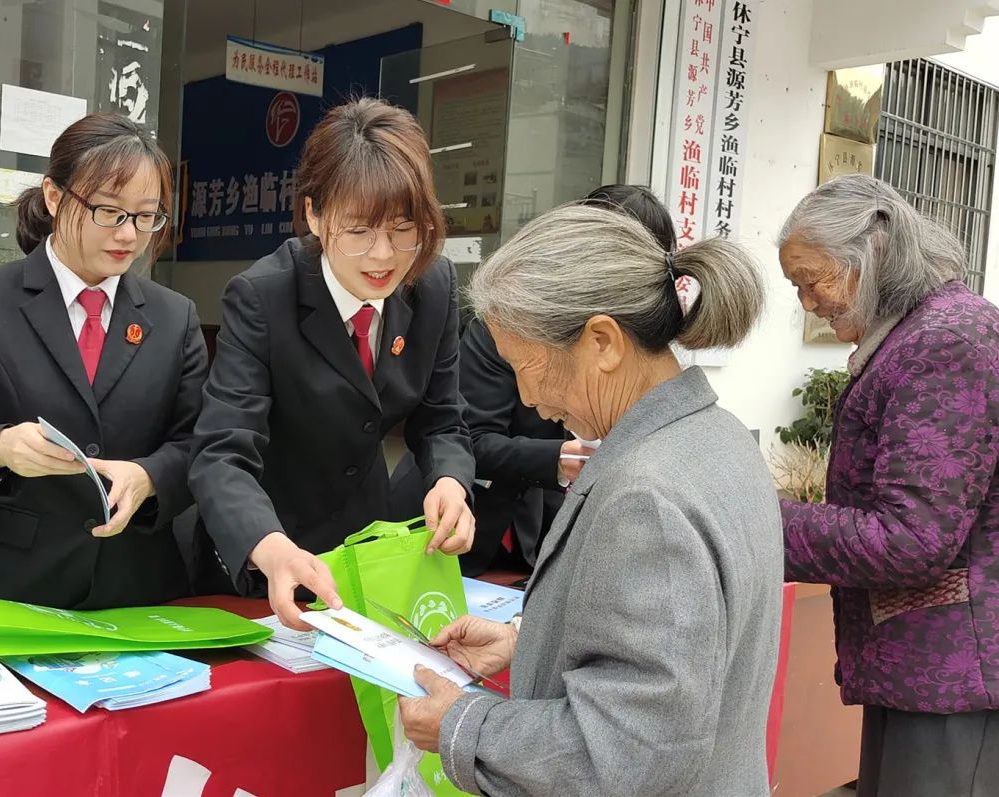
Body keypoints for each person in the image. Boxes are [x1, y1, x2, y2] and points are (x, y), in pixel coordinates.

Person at [398, 202, 783, 796]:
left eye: (527, 366)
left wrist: (461, 725)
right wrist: (531, 642)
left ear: (602, 341)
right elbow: (683, 659)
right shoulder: (719, 437)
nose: (529, 397)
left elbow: (633, 749)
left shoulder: (646, 499)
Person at [189, 98, 476, 628]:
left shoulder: (432, 286)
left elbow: (443, 420)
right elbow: (221, 452)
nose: (383, 256)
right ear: (316, 216)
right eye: (360, 231)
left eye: (403, 229)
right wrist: (269, 547)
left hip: (362, 549)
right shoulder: (262, 297)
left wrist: (451, 482)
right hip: (270, 553)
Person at [0, 113, 208, 609]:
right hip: (6, 590)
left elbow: (199, 445)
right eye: (108, 212)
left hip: (136, 590)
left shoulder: (174, 316)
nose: (128, 235)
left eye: (146, 215)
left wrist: (151, 477)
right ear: (55, 197)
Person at [777, 173, 999, 796]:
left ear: (870, 257)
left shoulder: (946, 339)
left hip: (953, 668)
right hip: (923, 660)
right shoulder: (919, 332)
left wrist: (756, 514)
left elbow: (912, 537)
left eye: (812, 281)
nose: (809, 303)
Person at [459, 184, 678, 574]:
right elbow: (470, 437)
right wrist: (558, 460)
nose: (530, 399)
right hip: (473, 529)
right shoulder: (506, 324)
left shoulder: (642, 362)